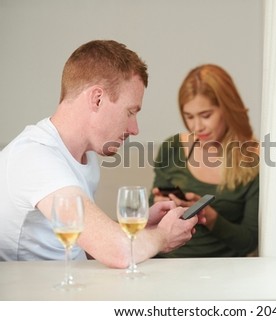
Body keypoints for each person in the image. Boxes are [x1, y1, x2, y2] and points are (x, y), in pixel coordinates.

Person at [0, 40, 200, 268]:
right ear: (97, 99)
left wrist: (141, 228)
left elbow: (86, 247)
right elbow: (118, 252)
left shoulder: (87, 157)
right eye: (130, 112)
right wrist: (163, 236)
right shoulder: (34, 156)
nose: (135, 129)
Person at [149, 64, 259, 257]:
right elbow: (149, 227)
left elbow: (249, 243)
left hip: (223, 274)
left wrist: (209, 216)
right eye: (189, 116)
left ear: (227, 109)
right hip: (165, 268)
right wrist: (160, 207)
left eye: (206, 116)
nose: (197, 126)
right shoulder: (172, 148)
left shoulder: (254, 158)